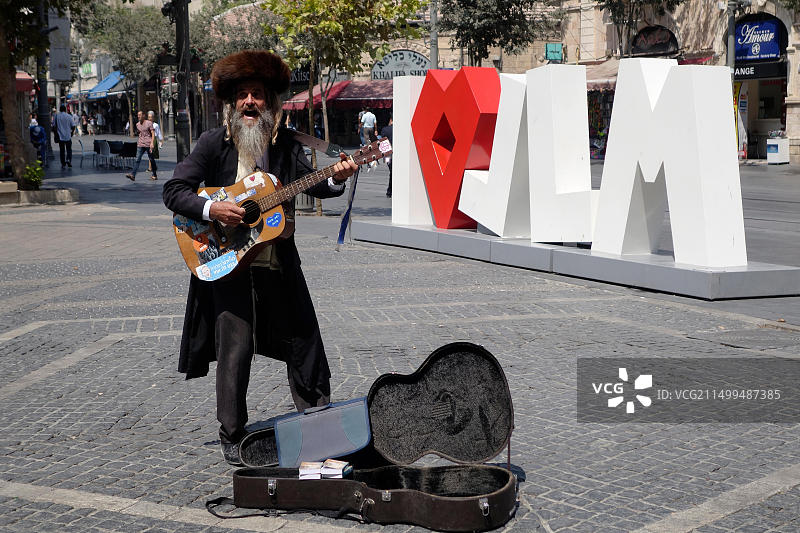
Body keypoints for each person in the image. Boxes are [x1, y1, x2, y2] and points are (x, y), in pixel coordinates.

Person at [162, 50, 357, 466]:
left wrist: (337, 177)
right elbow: (174, 191)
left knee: (305, 342)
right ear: (231, 104)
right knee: (235, 349)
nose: (250, 102)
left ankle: (318, 423)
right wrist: (212, 210)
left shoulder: (284, 145)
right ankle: (231, 434)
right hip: (227, 263)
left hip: (278, 265)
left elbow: (313, 183)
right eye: (243, 95)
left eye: (258, 95)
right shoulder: (213, 144)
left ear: (271, 103)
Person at [125, 110, 157, 181]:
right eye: (138, 115)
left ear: (143, 116)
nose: (138, 116)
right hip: (140, 144)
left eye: (140, 115)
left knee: (151, 159)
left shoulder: (149, 123)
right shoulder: (137, 124)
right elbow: (140, 133)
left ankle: (154, 174)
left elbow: (153, 133)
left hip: (148, 144)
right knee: (137, 159)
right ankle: (133, 175)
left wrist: (152, 143)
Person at [53, 104, 74, 169]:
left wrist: (55, 134)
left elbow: (54, 126)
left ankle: (63, 163)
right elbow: (73, 126)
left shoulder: (57, 116)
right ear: (65, 110)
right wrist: (72, 132)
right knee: (69, 149)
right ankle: (68, 160)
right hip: (68, 135)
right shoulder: (69, 116)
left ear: (60, 110)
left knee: (62, 151)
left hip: (60, 136)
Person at [380, 116, 393, 197]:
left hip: (388, 155)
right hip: (398, 154)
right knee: (393, 173)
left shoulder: (385, 129)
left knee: (391, 172)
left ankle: (390, 191)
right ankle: (390, 190)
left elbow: (383, 143)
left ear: (391, 120)